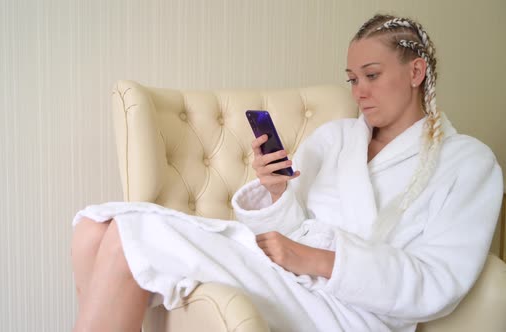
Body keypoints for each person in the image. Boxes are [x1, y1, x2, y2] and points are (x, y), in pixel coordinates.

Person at [70, 14, 503, 332]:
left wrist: (316, 259)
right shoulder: (336, 139)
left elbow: (437, 283)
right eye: (352, 79)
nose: (360, 92)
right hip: (291, 280)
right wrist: (277, 193)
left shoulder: (467, 162)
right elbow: (292, 230)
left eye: (372, 75)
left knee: (133, 233)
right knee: (93, 227)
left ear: (415, 71)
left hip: (357, 312)